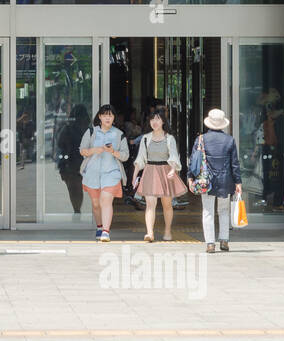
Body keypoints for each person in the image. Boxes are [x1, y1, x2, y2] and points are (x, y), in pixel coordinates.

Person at [189, 108, 243, 253]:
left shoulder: (201, 139)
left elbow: (194, 161)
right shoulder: (230, 140)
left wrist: (190, 177)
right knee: (224, 210)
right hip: (226, 181)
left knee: (208, 211)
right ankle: (224, 240)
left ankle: (210, 243)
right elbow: (235, 164)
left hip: (206, 181)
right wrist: (238, 182)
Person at [131, 107, 188, 242]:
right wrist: (134, 176)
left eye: (158, 119)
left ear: (163, 121)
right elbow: (140, 159)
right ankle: (149, 233)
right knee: (150, 204)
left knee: (167, 205)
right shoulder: (145, 138)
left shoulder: (169, 138)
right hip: (150, 171)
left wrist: (173, 170)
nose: (154, 122)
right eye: (152, 119)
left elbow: (174, 156)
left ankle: (167, 231)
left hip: (165, 172)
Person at [80, 104, 129, 242]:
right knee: (96, 204)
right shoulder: (91, 132)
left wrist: (113, 152)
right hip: (92, 173)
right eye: (105, 115)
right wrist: (95, 150)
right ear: (100, 117)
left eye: (111, 115)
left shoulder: (119, 134)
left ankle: (106, 232)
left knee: (106, 200)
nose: (108, 118)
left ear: (114, 118)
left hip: (111, 173)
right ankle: (100, 227)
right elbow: (82, 150)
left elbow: (125, 155)